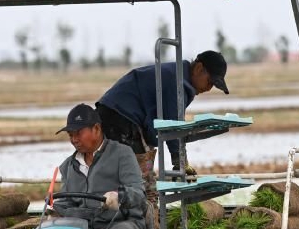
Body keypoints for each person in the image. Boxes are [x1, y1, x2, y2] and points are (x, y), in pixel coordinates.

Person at [95, 50, 230, 200]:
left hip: (120, 115)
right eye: (210, 82)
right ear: (198, 68)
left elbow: (170, 125)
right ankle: (134, 215)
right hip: (119, 117)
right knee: (138, 179)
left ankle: (135, 211)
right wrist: (180, 162)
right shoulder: (175, 81)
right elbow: (173, 127)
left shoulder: (179, 78)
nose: (208, 88)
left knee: (137, 177)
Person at [52, 103, 147, 229]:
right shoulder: (68, 166)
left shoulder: (122, 154)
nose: (74, 140)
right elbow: (67, 202)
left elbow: (139, 194)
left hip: (123, 223)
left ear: (96, 129)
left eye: (78, 133)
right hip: (85, 227)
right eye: (71, 135)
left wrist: (120, 197)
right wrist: (57, 209)